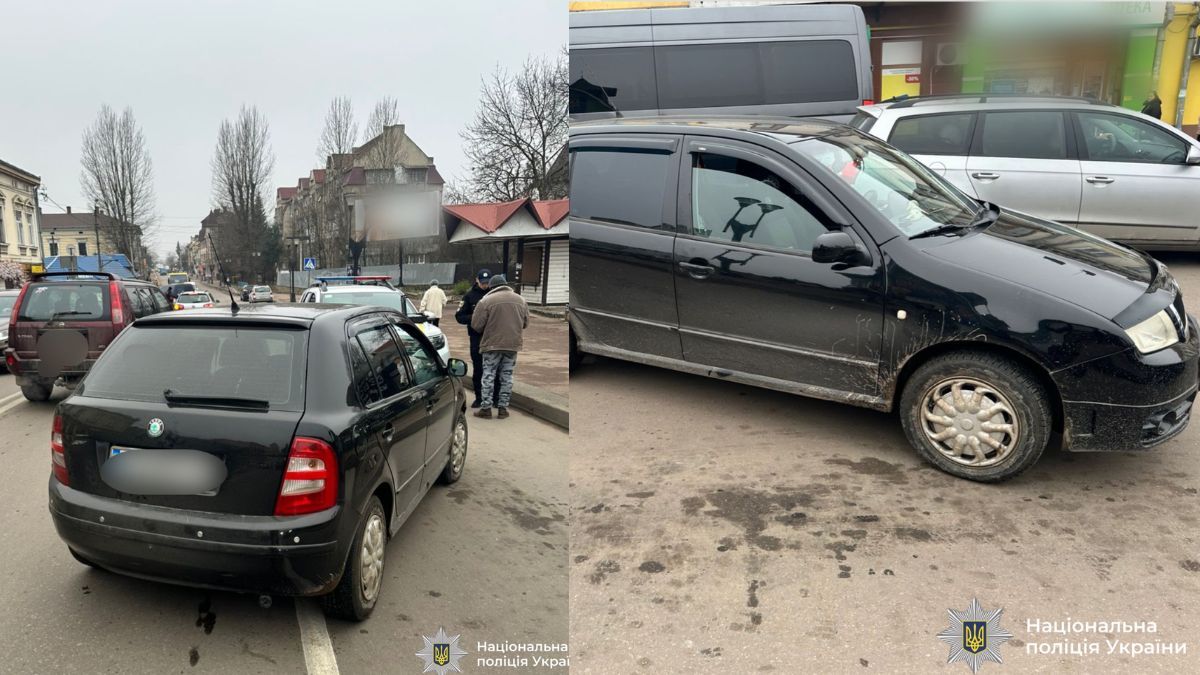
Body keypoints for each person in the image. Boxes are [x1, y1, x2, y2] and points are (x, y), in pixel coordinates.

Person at [470, 274, 528, 419]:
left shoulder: (486, 301)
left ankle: (486, 408)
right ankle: (503, 408)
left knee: (488, 375)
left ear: (491, 286)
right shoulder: (521, 300)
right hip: (512, 345)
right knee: (507, 377)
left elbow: (476, 325)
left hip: (492, 345)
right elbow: (526, 323)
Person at [455, 269, 500, 408]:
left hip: (494, 337)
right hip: (476, 338)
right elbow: (459, 316)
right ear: (477, 280)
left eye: (487, 283)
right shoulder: (469, 296)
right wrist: (476, 318)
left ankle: (495, 398)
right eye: (482, 283)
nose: (485, 285)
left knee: (495, 369)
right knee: (479, 369)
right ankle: (479, 397)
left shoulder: (495, 295)